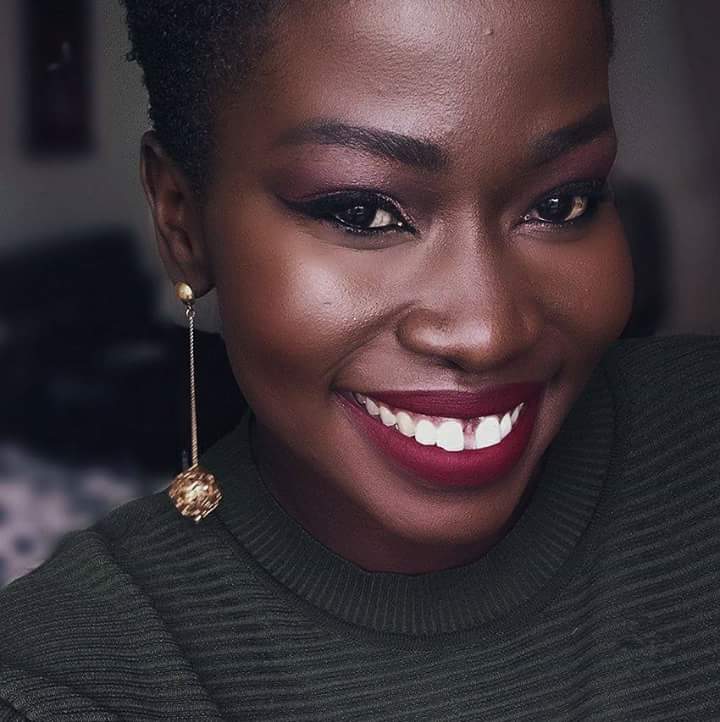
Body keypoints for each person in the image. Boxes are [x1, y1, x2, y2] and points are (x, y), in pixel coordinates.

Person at [1, 1, 719, 719]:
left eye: (562, 203)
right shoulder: (67, 681)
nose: (487, 332)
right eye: (360, 213)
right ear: (181, 220)